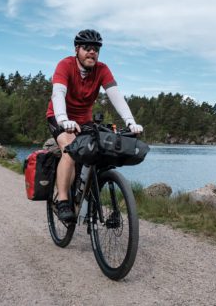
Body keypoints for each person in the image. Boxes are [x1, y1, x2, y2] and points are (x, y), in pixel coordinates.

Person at [46, 29, 143, 221]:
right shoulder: (65, 65)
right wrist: (64, 119)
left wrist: (130, 121)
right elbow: (58, 94)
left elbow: (116, 95)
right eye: (87, 48)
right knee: (70, 149)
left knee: (99, 153)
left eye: (96, 49)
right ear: (77, 50)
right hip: (59, 116)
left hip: (84, 120)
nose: (92, 52)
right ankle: (63, 201)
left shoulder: (102, 69)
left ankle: (89, 197)